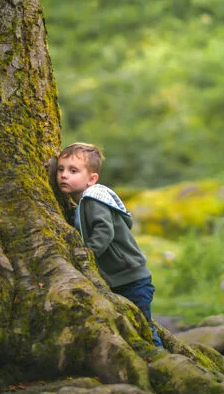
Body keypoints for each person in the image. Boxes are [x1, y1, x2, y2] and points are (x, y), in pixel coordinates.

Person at [55, 142, 164, 348]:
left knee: (143, 326)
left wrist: (88, 253)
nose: (63, 175)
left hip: (132, 279)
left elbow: (104, 231)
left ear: (91, 179)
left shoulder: (94, 200)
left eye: (73, 171)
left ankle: (159, 355)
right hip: (117, 279)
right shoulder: (82, 203)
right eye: (61, 169)